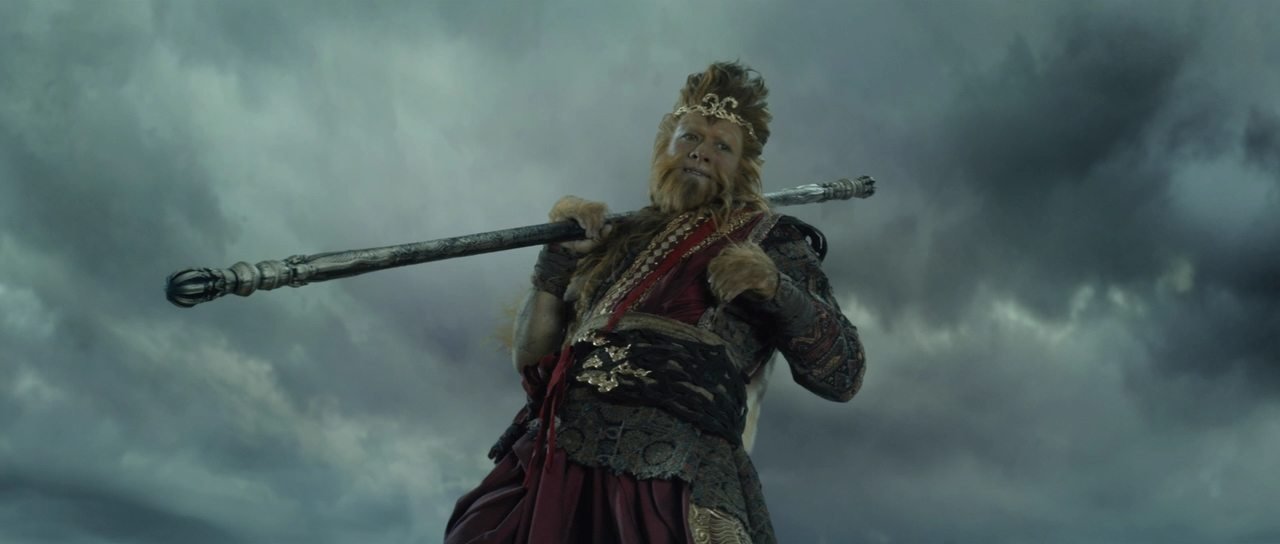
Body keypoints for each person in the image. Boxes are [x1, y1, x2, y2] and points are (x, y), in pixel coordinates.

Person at [445, 61, 867, 544]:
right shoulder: (610, 239)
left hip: (676, 471)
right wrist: (557, 256)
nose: (701, 152)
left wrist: (774, 286)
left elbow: (844, 375)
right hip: (558, 457)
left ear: (743, 168)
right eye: (690, 137)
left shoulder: (771, 240)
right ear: (665, 146)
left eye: (722, 146)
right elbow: (532, 359)